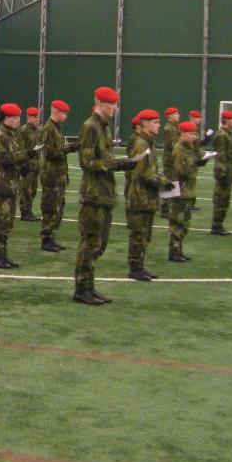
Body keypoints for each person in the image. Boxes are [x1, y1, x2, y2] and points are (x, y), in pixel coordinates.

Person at [73, 87, 135, 305]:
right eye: (112, 105)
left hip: (104, 193)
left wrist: (117, 164)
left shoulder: (104, 128)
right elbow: (87, 162)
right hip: (94, 195)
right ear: (101, 103)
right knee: (89, 243)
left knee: (99, 244)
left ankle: (89, 287)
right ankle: (82, 289)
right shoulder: (90, 127)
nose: (115, 108)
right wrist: (117, 164)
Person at [125, 110, 173, 281]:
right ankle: (135, 268)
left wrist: (162, 179)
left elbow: (151, 170)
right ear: (145, 124)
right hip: (140, 197)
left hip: (147, 196)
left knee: (144, 234)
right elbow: (142, 173)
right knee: (138, 234)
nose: (159, 125)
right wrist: (163, 182)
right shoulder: (141, 144)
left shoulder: (148, 143)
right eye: (155, 122)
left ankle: (139, 265)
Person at [0, 103, 38, 269]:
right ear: (7, 118)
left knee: (8, 223)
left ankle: (3, 255)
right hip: (2, 185)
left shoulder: (10, 135)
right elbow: (6, 159)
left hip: (10, 184)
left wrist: (22, 162)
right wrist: (26, 155)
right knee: (0, 223)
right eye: (15, 118)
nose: (18, 121)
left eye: (18, 118)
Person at [168, 121, 210, 262]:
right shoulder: (179, 149)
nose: (193, 136)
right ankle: (174, 251)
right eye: (191, 134)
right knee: (177, 223)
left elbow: (194, 160)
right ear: (183, 133)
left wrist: (200, 160)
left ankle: (178, 250)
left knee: (185, 223)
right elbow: (182, 171)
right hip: (180, 190)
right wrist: (196, 164)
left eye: (194, 134)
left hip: (188, 190)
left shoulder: (189, 148)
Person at [38, 99, 76, 251]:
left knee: (58, 208)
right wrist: (69, 148)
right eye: (64, 113)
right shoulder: (49, 129)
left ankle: (51, 236)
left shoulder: (56, 128)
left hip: (58, 175)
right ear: (56, 112)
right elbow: (50, 152)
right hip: (51, 176)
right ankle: (46, 239)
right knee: (50, 208)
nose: (66, 116)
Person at [211, 109, 232, 235]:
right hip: (223, 173)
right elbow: (220, 156)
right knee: (220, 200)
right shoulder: (222, 135)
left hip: (228, 172)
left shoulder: (227, 134)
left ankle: (219, 225)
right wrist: (222, 173)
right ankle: (216, 226)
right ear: (227, 121)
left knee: (224, 201)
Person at [17, 106, 41, 221]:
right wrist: (23, 163)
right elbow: (21, 149)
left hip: (35, 165)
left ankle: (29, 211)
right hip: (27, 165)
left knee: (33, 190)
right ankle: (25, 212)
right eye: (34, 117)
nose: (36, 119)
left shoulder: (37, 130)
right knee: (26, 190)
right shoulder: (24, 130)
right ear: (28, 117)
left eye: (37, 117)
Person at [160, 107, 180, 217]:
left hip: (174, 159)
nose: (178, 116)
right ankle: (165, 208)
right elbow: (173, 145)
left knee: (175, 182)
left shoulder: (175, 127)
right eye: (175, 114)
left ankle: (173, 206)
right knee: (167, 183)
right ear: (169, 116)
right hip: (170, 160)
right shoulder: (169, 129)